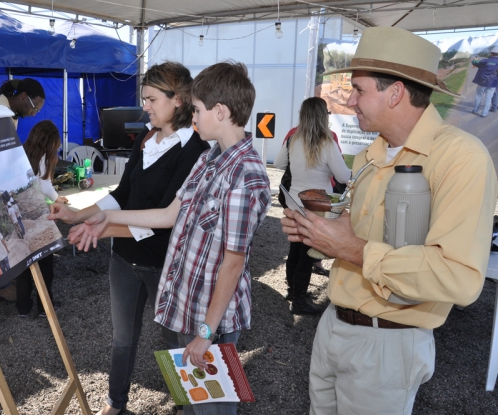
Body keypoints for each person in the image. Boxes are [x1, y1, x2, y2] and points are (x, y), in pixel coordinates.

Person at [280, 26, 498, 414]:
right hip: (334, 325)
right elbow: (362, 238)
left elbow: (460, 278)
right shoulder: (371, 155)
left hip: (388, 344)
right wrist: (321, 232)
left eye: (359, 89)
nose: (349, 99)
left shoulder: (461, 158)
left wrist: (353, 249)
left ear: (395, 92)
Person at [61, 61, 271, 415]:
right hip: (193, 307)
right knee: (196, 403)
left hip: (211, 319)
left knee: (214, 408)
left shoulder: (245, 175)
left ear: (220, 112)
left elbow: (234, 263)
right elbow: (168, 215)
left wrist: (206, 331)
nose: (194, 116)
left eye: (199, 110)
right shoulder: (210, 160)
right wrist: (103, 219)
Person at [49, 62, 210, 415]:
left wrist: (103, 226)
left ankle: (184, 404)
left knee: (173, 342)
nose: (146, 107)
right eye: (145, 99)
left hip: (163, 264)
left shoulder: (195, 150)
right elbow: (123, 193)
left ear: (179, 100)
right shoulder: (145, 137)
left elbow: (165, 218)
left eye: (152, 99)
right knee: (123, 339)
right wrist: (81, 214)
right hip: (123, 259)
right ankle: (115, 403)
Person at [273, 97, 350, 314]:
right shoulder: (327, 142)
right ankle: (299, 301)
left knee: (295, 248)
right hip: (316, 206)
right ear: (322, 116)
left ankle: (292, 290)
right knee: (308, 253)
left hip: (294, 202)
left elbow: (278, 164)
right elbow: (343, 175)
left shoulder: (293, 139)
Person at [0, 78, 45, 302]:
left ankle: (5, 283)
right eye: (35, 107)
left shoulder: (7, 112)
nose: (35, 113)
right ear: (22, 97)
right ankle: (2, 286)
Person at [15, 120, 66, 318]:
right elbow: (45, 186)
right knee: (45, 263)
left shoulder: (20, 152)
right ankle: (46, 307)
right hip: (38, 216)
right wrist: (57, 199)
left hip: (19, 216)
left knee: (23, 262)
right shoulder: (44, 157)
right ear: (49, 141)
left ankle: (23, 307)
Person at [471, 46, 498, 118]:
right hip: (493, 84)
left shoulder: (485, 61)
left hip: (482, 82)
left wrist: (476, 57)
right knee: (488, 98)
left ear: (491, 53)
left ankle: (475, 110)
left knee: (479, 96)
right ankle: (484, 113)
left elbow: (475, 63)